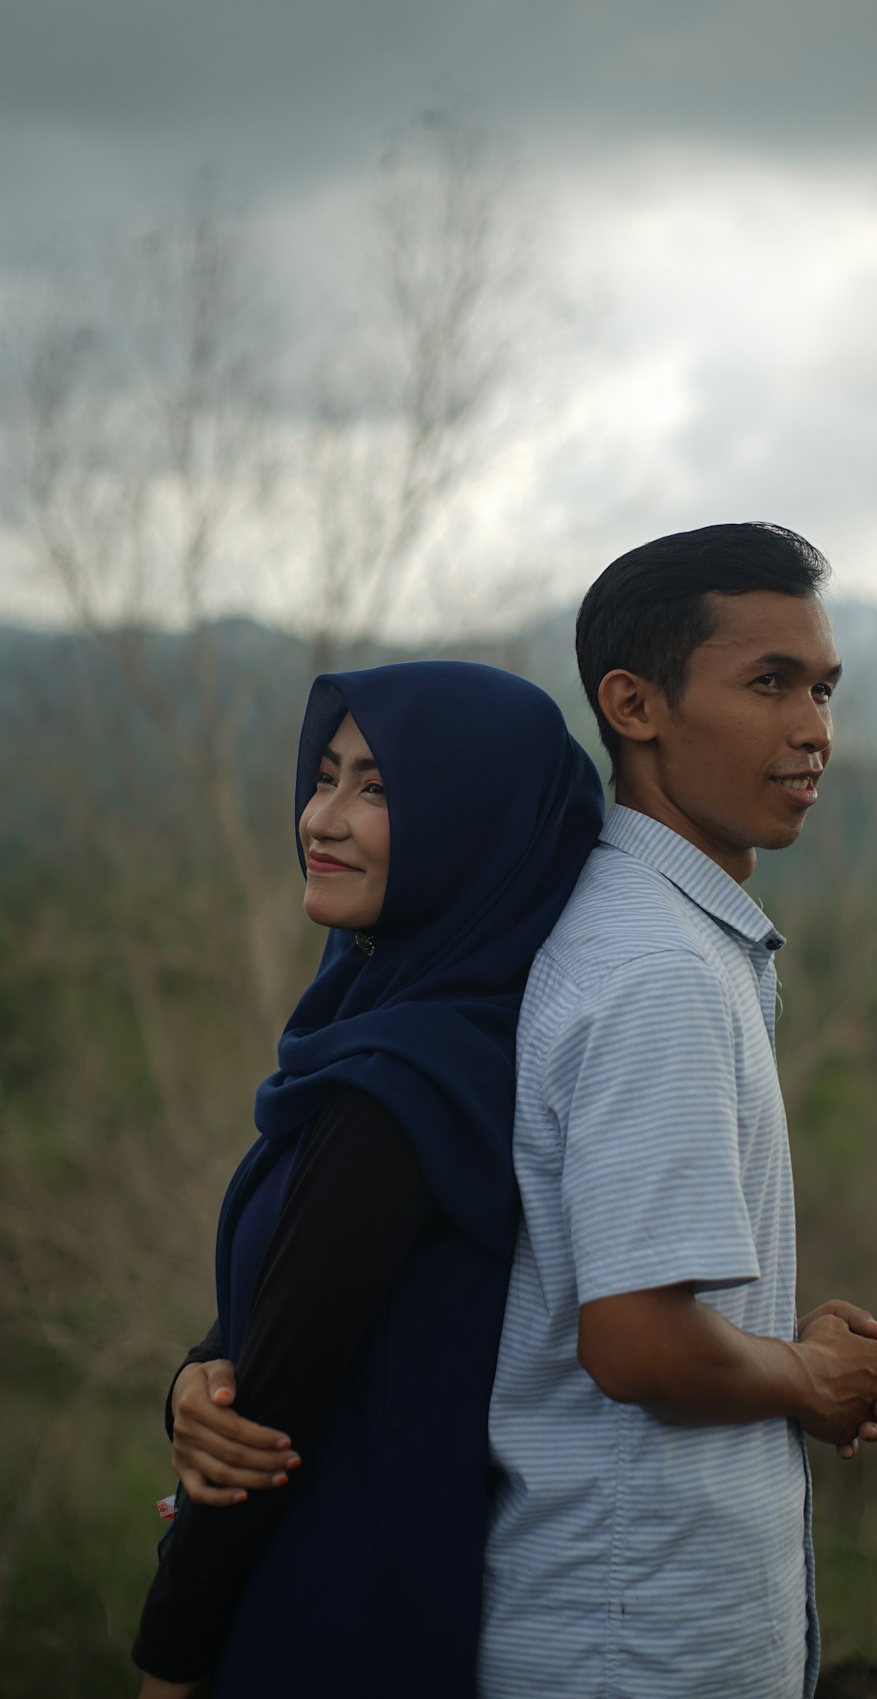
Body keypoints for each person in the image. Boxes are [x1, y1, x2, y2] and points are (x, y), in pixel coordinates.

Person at [478, 524, 877, 1699]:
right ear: (634, 703)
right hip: (631, 1637)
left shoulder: (675, 934)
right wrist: (807, 1376)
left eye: (821, 688)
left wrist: (779, 1334)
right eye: (767, 683)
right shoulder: (655, 967)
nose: (813, 728)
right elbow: (638, 1342)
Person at [131, 659, 604, 1699]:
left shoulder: (398, 1090)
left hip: (323, 1616)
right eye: (326, 775)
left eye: (380, 789)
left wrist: (167, 1661)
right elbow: (306, 1314)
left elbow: (266, 1440)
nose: (324, 818)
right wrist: (197, 1372)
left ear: (474, 828)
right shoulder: (439, 1032)